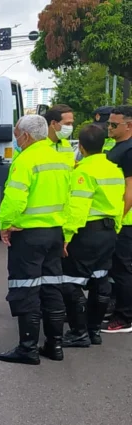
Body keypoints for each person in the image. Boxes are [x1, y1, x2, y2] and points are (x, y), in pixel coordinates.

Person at [0, 115, 72, 365]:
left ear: (26, 136)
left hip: (28, 234)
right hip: (55, 232)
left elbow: (15, 197)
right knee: (52, 287)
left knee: (26, 288)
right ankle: (54, 345)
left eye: (17, 135)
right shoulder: (60, 159)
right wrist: (65, 232)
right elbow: (70, 199)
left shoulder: (26, 159)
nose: (16, 140)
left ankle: (28, 349)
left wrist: (5, 223)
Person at [60, 125, 125, 348]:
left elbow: (78, 208)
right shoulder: (114, 170)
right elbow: (119, 202)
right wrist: (116, 228)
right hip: (108, 231)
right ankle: (94, 331)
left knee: (70, 282)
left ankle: (79, 332)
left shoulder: (83, 172)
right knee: (100, 279)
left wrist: (67, 236)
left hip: (87, 232)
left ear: (81, 147)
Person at [103, 105, 132, 333]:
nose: (109, 127)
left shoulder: (129, 150)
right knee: (116, 269)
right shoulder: (118, 146)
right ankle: (118, 310)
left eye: (114, 124)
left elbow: (130, 189)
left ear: (129, 125)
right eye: (109, 123)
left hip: (126, 220)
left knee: (123, 270)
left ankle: (125, 317)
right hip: (118, 218)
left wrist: (118, 219)